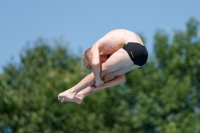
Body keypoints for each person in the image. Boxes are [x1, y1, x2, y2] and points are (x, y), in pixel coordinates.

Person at [58, 29, 148, 104]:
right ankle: (81, 95)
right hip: (142, 57)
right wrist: (102, 85)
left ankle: (72, 91)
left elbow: (95, 64)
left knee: (101, 72)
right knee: (108, 75)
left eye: (101, 61)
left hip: (133, 47)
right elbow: (121, 79)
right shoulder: (115, 50)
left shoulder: (96, 47)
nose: (102, 64)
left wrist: (97, 80)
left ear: (92, 54)